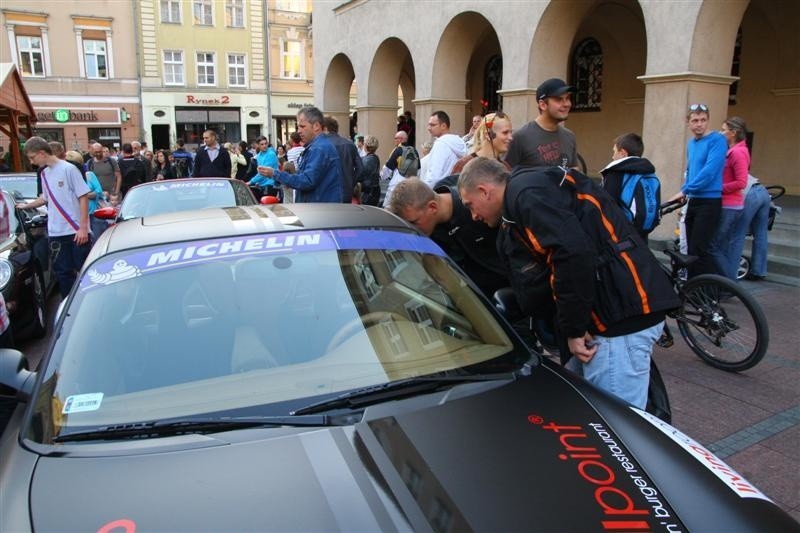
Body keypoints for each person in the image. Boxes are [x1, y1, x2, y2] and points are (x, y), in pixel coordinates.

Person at [457, 158, 679, 409]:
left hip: (618, 320)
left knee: (619, 425)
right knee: (591, 413)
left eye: (470, 205)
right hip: (611, 313)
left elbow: (571, 255)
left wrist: (574, 329)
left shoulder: (525, 194)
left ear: (484, 191)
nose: (473, 215)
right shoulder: (528, 188)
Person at [388, 176, 508, 299]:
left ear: (432, 207)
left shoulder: (477, 205)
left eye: (414, 222)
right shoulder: (431, 232)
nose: (412, 230)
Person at [19, 137, 91, 299]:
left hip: (75, 230)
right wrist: (26, 206)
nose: (32, 162)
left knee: (84, 272)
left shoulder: (69, 169)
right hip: (56, 232)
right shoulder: (44, 173)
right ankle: (68, 308)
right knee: (63, 274)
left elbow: (83, 197)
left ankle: (88, 305)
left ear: (42, 153)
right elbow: (44, 198)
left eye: (32, 157)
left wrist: (83, 227)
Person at [668, 104, 727, 277]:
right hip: (694, 200)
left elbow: (709, 172)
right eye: (695, 120)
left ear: (708, 121)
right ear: (688, 123)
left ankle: (711, 290)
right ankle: (694, 288)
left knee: (701, 249)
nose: (699, 124)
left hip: (710, 201)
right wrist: (685, 195)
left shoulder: (717, 140)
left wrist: (685, 190)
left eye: (703, 120)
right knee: (691, 250)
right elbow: (691, 171)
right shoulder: (691, 144)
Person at [256, 106, 344, 203]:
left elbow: (307, 181)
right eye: (298, 127)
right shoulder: (316, 147)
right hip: (318, 209)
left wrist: (275, 174)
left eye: (302, 126)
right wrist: (281, 177)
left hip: (319, 211)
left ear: (316, 126)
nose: (298, 131)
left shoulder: (319, 148)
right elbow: (305, 177)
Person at [505, 78, 578, 170]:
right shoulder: (520, 137)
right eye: (559, 99)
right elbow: (505, 174)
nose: (567, 104)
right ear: (543, 105)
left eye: (567, 98)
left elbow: (574, 169)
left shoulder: (570, 137)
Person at [600, 133, 660, 243]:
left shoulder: (615, 173)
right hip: (643, 234)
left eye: (614, 151)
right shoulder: (649, 173)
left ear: (623, 153)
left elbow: (607, 207)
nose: (613, 157)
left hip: (621, 236)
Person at [711, 116, 750, 280]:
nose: (721, 132)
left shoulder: (738, 152)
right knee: (721, 246)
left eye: (724, 130)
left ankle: (730, 283)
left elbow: (741, 181)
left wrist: (717, 188)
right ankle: (724, 284)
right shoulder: (733, 150)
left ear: (733, 133)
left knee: (713, 246)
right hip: (728, 205)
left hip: (729, 206)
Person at [732, 175, 771, 281]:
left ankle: (731, 271)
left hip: (749, 194)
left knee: (738, 233)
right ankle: (759, 271)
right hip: (763, 191)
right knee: (761, 234)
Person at [66, 150, 107, 240]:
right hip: (77, 217)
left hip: (93, 214)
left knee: (97, 240)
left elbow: (99, 191)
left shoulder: (89, 175)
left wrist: (82, 195)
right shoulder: (66, 177)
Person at [323, 116, 363, 203]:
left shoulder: (321, 146)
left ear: (325, 129)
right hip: (346, 192)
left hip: (327, 193)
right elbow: (360, 169)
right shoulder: (349, 144)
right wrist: (351, 182)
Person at [421, 110, 466, 186]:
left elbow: (434, 175)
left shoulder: (441, 144)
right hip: (454, 189)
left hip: (439, 191)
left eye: (432, 125)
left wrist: (425, 193)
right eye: (428, 125)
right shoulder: (459, 141)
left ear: (443, 126)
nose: (428, 128)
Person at [381, 131, 420, 208]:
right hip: (411, 182)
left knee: (389, 206)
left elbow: (388, 167)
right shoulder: (414, 150)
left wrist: (382, 177)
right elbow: (418, 169)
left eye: (396, 138)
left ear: (401, 139)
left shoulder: (398, 150)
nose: (394, 140)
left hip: (397, 182)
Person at [356, 135, 381, 206]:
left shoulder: (369, 159)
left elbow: (361, 175)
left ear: (366, 145)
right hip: (373, 190)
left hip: (368, 192)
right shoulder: (373, 157)